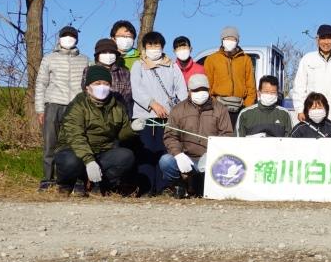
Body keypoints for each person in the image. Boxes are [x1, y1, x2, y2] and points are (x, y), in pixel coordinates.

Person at [53, 65, 137, 196]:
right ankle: (66, 184)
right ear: (87, 87)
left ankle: (101, 185)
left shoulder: (118, 106)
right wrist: (89, 161)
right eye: (97, 83)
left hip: (103, 151)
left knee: (126, 156)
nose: (102, 87)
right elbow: (75, 136)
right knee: (70, 161)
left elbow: (121, 135)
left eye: (106, 84)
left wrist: (133, 129)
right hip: (74, 150)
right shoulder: (77, 105)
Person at [130, 31, 188, 194]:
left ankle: (163, 187)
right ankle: (146, 188)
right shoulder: (138, 65)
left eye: (157, 45)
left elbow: (181, 89)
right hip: (145, 116)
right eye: (150, 45)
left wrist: (179, 111)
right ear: (144, 47)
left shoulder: (172, 66)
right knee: (146, 152)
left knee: (164, 151)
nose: (154, 48)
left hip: (167, 118)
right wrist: (152, 104)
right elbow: (136, 89)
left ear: (162, 47)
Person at [159, 73, 233, 198]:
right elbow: (170, 136)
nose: (200, 93)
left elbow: (227, 135)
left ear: (209, 90)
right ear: (189, 91)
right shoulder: (178, 109)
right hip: (186, 158)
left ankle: (202, 186)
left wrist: (213, 154)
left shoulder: (220, 109)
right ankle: (179, 184)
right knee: (166, 161)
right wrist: (178, 154)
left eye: (203, 89)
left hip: (210, 159)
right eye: (196, 90)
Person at [34, 25, 89, 191]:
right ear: (59, 38)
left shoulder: (85, 59)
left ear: (77, 39)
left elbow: (88, 86)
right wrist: (40, 109)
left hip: (77, 106)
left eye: (72, 36)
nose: (68, 38)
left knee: (77, 142)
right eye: (65, 35)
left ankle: (77, 179)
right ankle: (48, 179)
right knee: (50, 144)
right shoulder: (49, 58)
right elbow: (41, 84)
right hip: (53, 105)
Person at [291, 24, 331, 136]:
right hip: (313, 110)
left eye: (329, 38)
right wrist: (300, 109)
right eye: (323, 38)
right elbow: (299, 86)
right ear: (317, 40)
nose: (326, 42)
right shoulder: (308, 59)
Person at [204, 26, 256, 125]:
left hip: (240, 108)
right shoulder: (211, 59)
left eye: (233, 39)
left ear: (237, 41)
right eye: (227, 38)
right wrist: (213, 105)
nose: (230, 41)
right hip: (218, 108)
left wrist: (247, 108)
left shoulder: (246, 60)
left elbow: (251, 87)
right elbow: (207, 86)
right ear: (222, 40)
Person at [83, 37, 134, 114]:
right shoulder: (89, 70)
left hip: (119, 113)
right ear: (98, 55)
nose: (108, 55)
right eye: (104, 52)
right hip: (94, 113)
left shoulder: (125, 72)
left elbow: (127, 95)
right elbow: (86, 92)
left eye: (111, 52)